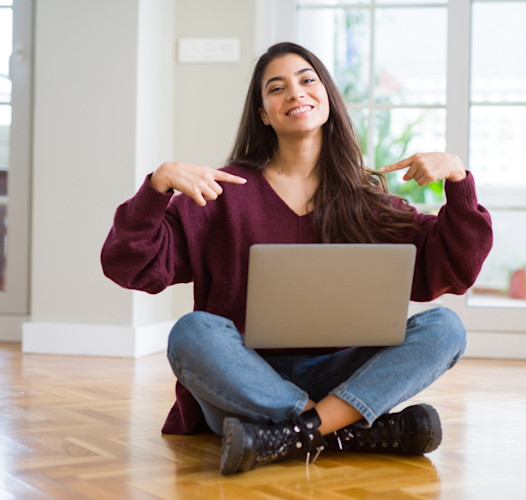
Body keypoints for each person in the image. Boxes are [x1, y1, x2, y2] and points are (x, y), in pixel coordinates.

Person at [101, 42, 492, 475]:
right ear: (264, 114)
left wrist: (458, 179)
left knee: (446, 327)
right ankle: (343, 428)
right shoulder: (221, 193)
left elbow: (453, 268)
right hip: (245, 381)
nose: (295, 93)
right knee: (191, 332)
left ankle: (292, 435)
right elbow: (130, 265)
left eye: (307, 80)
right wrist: (156, 188)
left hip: (341, 373)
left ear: (326, 97)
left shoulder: (367, 201)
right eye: (277, 87)